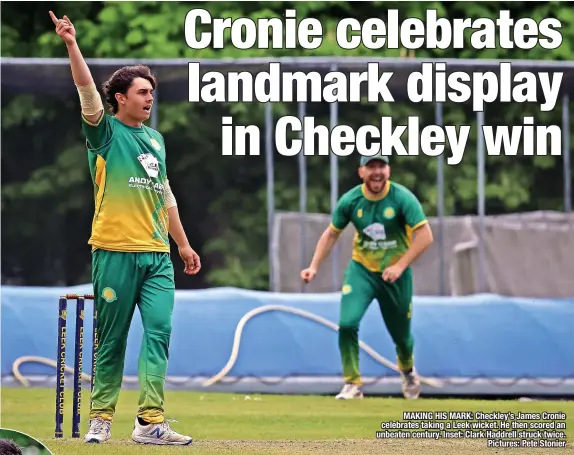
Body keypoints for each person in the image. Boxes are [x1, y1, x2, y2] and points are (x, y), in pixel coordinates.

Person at [50, 11, 200, 445]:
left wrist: (184, 246)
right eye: (142, 92)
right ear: (118, 98)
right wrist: (72, 44)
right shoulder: (105, 133)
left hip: (157, 256)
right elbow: (85, 90)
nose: (150, 98)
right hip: (114, 251)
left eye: (152, 92)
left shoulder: (157, 140)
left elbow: (164, 194)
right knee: (111, 339)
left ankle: (150, 422)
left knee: (160, 334)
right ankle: (100, 418)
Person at [300, 154, 433, 400]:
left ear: (388, 171)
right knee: (347, 323)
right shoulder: (351, 200)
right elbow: (331, 234)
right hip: (362, 270)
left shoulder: (402, 198)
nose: (377, 172)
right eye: (371, 167)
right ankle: (353, 384)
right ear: (361, 172)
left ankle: (407, 370)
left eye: (381, 166)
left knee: (402, 337)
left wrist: (400, 266)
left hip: (396, 276)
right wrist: (314, 266)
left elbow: (425, 236)